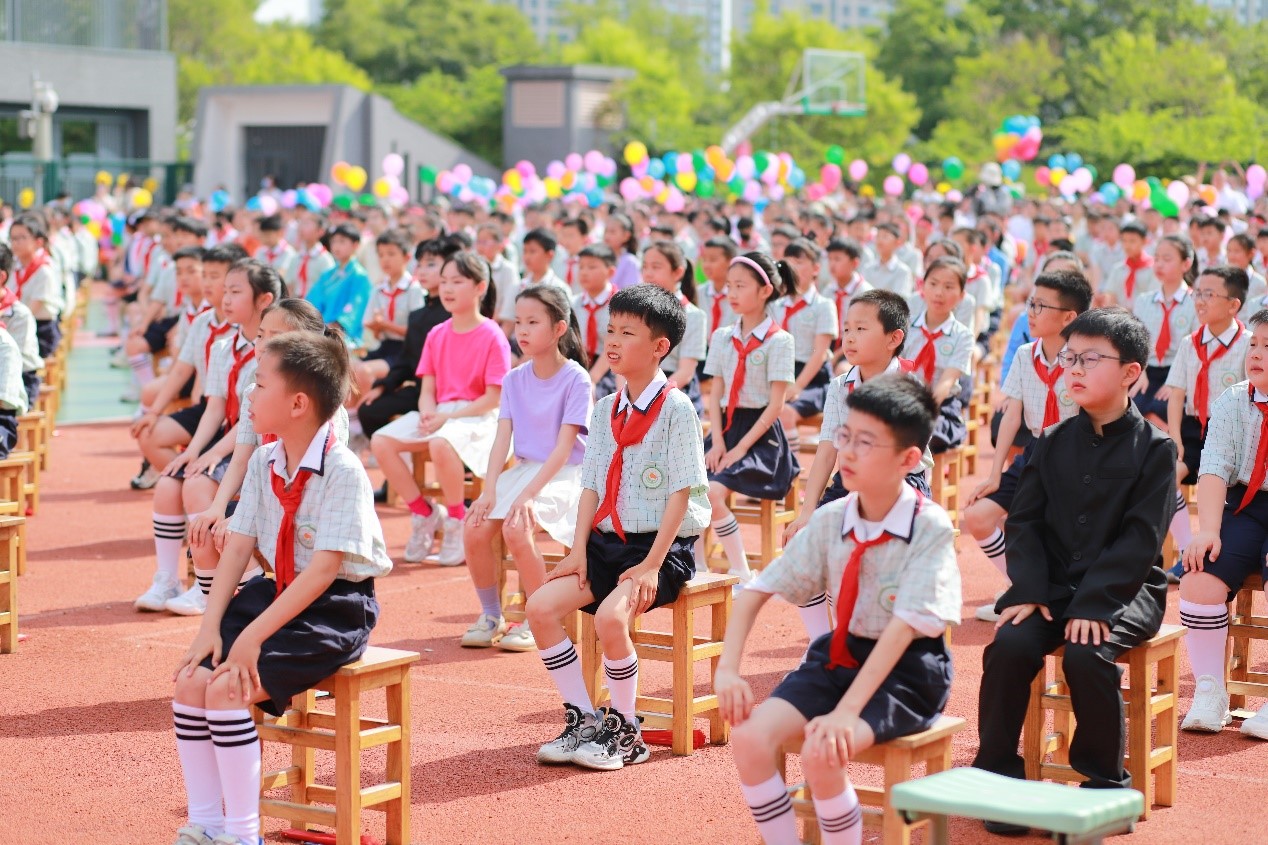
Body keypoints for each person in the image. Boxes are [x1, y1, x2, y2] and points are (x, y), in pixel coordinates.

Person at [717, 374, 961, 845]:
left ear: (909, 459)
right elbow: (755, 592)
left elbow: (905, 627)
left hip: (907, 673)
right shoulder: (833, 517)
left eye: (865, 443)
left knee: (822, 751)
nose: (846, 452)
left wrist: (846, 713)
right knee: (749, 739)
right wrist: (728, 670)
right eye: (844, 436)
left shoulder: (928, 525)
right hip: (839, 658)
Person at [170, 331, 390, 845]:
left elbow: (321, 572)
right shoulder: (266, 462)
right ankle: (206, 824)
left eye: (259, 384)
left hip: (333, 607)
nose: (247, 395)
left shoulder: (343, 469)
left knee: (228, 688)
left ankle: (243, 836)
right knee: (189, 682)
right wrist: (209, 627)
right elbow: (240, 546)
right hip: (278, 594)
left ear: (297, 403)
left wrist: (249, 638)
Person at [973, 308, 1174, 831]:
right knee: (1011, 644)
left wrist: (1094, 604)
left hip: (1125, 591)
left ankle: (1106, 786)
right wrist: (1029, 589)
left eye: (1090, 359)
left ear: (1131, 372)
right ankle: (996, 778)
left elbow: (1141, 540)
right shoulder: (1052, 439)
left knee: (1087, 652)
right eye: (1070, 358)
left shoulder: (1156, 450)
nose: (1074, 369)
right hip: (1053, 586)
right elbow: (1024, 522)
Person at [522, 284, 708, 770]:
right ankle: (584, 718)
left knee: (610, 618)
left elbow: (681, 492)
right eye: (611, 330)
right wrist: (578, 549)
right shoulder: (605, 409)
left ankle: (627, 732)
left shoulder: (677, 408)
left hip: (660, 548)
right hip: (606, 543)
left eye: (628, 333)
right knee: (540, 608)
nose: (614, 341)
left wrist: (650, 566)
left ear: (660, 347)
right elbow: (590, 486)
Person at [183, 299, 354, 613]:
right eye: (260, 335)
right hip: (266, 503)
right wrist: (218, 508)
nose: (260, 344)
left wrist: (243, 520)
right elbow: (241, 459)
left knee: (231, 537)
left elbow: (311, 483)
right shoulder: (255, 390)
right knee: (203, 535)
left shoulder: (328, 411)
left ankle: (262, 613)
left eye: (273, 337)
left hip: (306, 514)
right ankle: (226, 617)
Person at [134, 260, 282, 614]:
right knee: (170, 481)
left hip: (252, 445)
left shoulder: (273, 351)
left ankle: (210, 585)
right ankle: (168, 578)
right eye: (224, 291)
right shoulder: (221, 346)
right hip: (229, 436)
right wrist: (194, 451)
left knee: (196, 484)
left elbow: (249, 423)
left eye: (235, 292)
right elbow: (215, 409)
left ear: (264, 300)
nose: (225, 299)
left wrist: (212, 454)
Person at [463, 285, 592, 652]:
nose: (521, 330)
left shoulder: (577, 378)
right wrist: (488, 490)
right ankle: (491, 615)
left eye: (533, 322)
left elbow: (564, 447)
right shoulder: (514, 379)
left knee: (517, 528)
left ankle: (539, 616)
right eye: (518, 321)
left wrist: (527, 495)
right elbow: (501, 439)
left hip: (567, 473)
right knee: (473, 528)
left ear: (558, 329)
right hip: (523, 472)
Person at [964, 271, 1092, 623]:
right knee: (977, 516)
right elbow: (1011, 415)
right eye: (1030, 303)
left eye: (1039, 305)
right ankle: (1023, 586)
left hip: (1077, 453)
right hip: (1036, 449)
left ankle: (1062, 594)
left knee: (1045, 525)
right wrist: (994, 473)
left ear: (1069, 317)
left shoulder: (1085, 358)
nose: (1030, 312)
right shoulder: (1025, 353)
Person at [370, 251, 511, 566]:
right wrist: (428, 413)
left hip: (479, 416)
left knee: (441, 441)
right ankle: (424, 513)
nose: (447, 288)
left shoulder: (492, 334)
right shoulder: (437, 333)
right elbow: (427, 390)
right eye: (444, 281)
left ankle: (457, 521)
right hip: (442, 411)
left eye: (457, 281)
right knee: (382, 441)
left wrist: (447, 418)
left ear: (480, 287)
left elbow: (493, 398)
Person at [1179, 308, 1268, 738]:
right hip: (1245, 504)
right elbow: (1214, 467)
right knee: (1198, 576)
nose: (1258, 354)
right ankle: (1210, 691)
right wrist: (1208, 530)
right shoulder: (1234, 399)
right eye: (1254, 344)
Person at [702, 252, 799, 588]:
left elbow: (776, 405)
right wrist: (717, 440)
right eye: (729, 285)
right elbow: (715, 394)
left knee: (711, 491)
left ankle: (742, 573)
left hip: (761, 438)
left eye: (741, 285)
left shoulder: (780, 340)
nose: (732, 292)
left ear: (765, 290)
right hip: (726, 428)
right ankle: (697, 566)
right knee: (687, 485)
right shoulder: (721, 336)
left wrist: (738, 449)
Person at [1161, 265, 1250, 584]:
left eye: (1209, 295)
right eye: (1198, 293)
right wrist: (1174, 437)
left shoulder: (1249, 344)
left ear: (1233, 305)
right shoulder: (1190, 342)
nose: (1200, 301)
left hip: (1232, 433)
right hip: (1192, 428)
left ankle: (1215, 548)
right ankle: (1186, 551)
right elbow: (1177, 393)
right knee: (1166, 475)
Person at [130, 244, 240, 490]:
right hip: (209, 407)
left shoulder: (246, 326)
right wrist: (153, 412)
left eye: (213, 276)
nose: (207, 283)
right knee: (149, 434)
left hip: (238, 413)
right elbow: (181, 368)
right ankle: (186, 488)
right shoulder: (203, 320)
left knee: (193, 482)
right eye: (206, 276)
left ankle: (199, 492)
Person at [774, 238, 839, 449]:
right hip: (780, 372)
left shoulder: (823, 305)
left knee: (784, 413)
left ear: (816, 268)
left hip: (812, 379)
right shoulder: (776, 305)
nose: (793, 267)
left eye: (799, 262)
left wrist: (798, 386)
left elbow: (820, 353)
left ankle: (788, 472)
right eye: (788, 262)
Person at [904, 257, 973, 454]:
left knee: (923, 433)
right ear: (922, 287)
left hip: (941, 407)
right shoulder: (907, 328)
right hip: (905, 401)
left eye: (949, 286)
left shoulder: (963, 335)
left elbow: (946, 382)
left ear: (961, 295)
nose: (939, 293)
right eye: (933, 284)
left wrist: (920, 412)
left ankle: (917, 482)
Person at [1132, 235, 1198, 429]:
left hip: (1177, 370)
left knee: (1162, 408)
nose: (1159, 264)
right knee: (1130, 405)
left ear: (1186, 264)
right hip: (1147, 369)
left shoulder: (1195, 301)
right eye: (1157, 258)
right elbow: (1136, 341)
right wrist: (1140, 371)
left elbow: (1194, 350)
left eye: (1167, 259)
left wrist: (1175, 381)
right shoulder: (1144, 300)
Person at [641, 240, 707, 414]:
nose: (648, 273)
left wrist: (648, 398)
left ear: (677, 272)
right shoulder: (638, 311)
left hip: (673, 391)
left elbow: (685, 372)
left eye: (656, 267)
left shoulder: (693, 315)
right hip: (638, 386)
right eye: (645, 267)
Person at [356, 229, 424, 395]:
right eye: (381, 255)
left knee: (364, 371)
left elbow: (416, 332)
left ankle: (361, 413)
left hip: (405, 351)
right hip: (385, 346)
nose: (385, 260)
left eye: (391, 254)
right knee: (349, 367)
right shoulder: (379, 289)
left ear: (407, 257)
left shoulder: (415, 289)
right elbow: (368, 323)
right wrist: (379, 327)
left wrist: (384, 325)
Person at [8, 214, 65, 359]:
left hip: (40, 331)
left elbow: (30, 312)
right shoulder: (13, 268)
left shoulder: (44, 271)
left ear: (38, 242)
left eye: (22, 238)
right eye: (13, 238)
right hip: (16, 325)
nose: (16, 243)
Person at [305, 222, 371, 345]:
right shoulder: (327, 274)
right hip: (320, 329)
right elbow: (313, 301)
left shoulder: (359, 275)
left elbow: (354, 310)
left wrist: (333, 328)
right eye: (334, 241)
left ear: (355, 245)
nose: (336, 246)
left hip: (343, 336)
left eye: (342, 241)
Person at [572, 243, 617, 392]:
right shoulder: (574, 303)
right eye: (581, 267)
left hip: (612, 365)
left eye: (591, 267)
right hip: (580, 360)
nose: (584, 272)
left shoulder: (619, 305)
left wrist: (592, 379)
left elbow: (614, 346)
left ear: (610, 272)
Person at [1098, 221, 1157, 308]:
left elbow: (1153, 300)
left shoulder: (1154, 269)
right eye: (1124, 241)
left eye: (1132, 241)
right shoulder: (1118, 269)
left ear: (1144, 241)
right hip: (1120, 318)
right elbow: (1110, 295)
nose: (1127, 245)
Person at [699, 236, 739, 339]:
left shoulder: (740, 295)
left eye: (713, 260)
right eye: (704, 259)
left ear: (730, 261)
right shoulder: (699, 293)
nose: (706, 265)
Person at [861, 223, 914, 299]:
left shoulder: (903, 271)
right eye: (878, 236)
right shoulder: (868, 268)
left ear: (897, 242)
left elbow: (900, 299)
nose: (880, 240)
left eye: (885, 236)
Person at [289, 210, 335, 298]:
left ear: (320, 231)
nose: (301, 228)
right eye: (301, 223)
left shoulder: (325, 259)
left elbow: (328, 289)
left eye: (306, 224)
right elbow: (290, 285)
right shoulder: (297, 257)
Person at [603, 211, 642, 291]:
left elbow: (631, 292)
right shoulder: (600, 258)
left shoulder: (630, 262)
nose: (607, 236)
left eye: (612, 232)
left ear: (626, 236)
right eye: (606, 231)